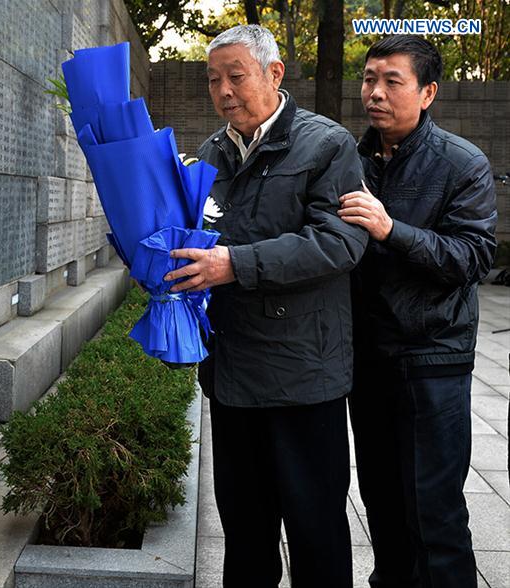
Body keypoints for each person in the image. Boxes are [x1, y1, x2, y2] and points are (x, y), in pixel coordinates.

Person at [164, 24, 368, 587]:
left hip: (305, 375)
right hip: (233, 376)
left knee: (316, 531)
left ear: (274, 74)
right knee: (245, 532)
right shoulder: (209, 153)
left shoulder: (328, 145)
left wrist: (235, 264)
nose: (224, 91)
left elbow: (340, 242)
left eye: (236, 76)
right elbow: (199, 239)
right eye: (213, 80)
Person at [338, 35, 497, 587]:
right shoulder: (349, 160)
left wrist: (390, 229)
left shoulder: (462, 163)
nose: (375, 92)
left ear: (428, 92)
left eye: (392, 81)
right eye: (368, 79)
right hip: (367, 359)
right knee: (381, 503)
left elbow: (473, 256)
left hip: (433, 359)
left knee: (435, 510)